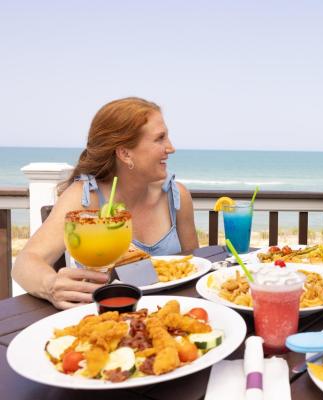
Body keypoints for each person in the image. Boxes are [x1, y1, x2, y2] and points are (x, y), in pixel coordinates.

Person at [12, 97, 199, 309]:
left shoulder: (176, 196)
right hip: (106, 315)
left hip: (171, 314)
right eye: (160, 139)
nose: (171, 147)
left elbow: (194, 267)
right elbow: (25, 263)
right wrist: (51, 284)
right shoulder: (85, 198)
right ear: (125, 153)